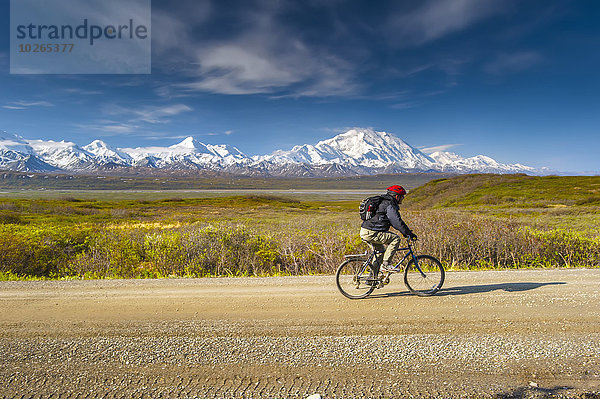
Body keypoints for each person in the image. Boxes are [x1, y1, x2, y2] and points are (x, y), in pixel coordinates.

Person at [359, 185, 417, 282]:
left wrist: (405, 232)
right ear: (397, 196)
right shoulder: (390, 204)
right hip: (371, 232)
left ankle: (372, 278)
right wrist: (408, 233)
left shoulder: (384, 201)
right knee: (395, 239)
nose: (403, 198)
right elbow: (396, 221)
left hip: (367, 231)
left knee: (380, 251)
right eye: (402, 196)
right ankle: (386, 264)